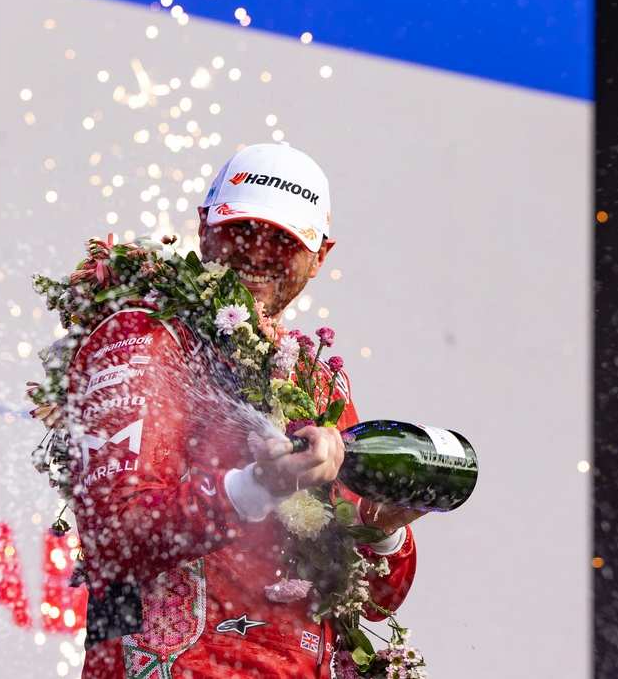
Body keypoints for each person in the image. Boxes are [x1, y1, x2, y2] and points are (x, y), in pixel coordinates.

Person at [58, 143, 423, 677]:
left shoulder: (318, 378)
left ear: (321, 255)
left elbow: (371, 602)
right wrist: (257, 486)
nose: (258, 251)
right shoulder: (146, 340)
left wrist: (387, 529)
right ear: (204, 225)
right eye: (242, 228)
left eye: (283, 240)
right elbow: (114, 539)